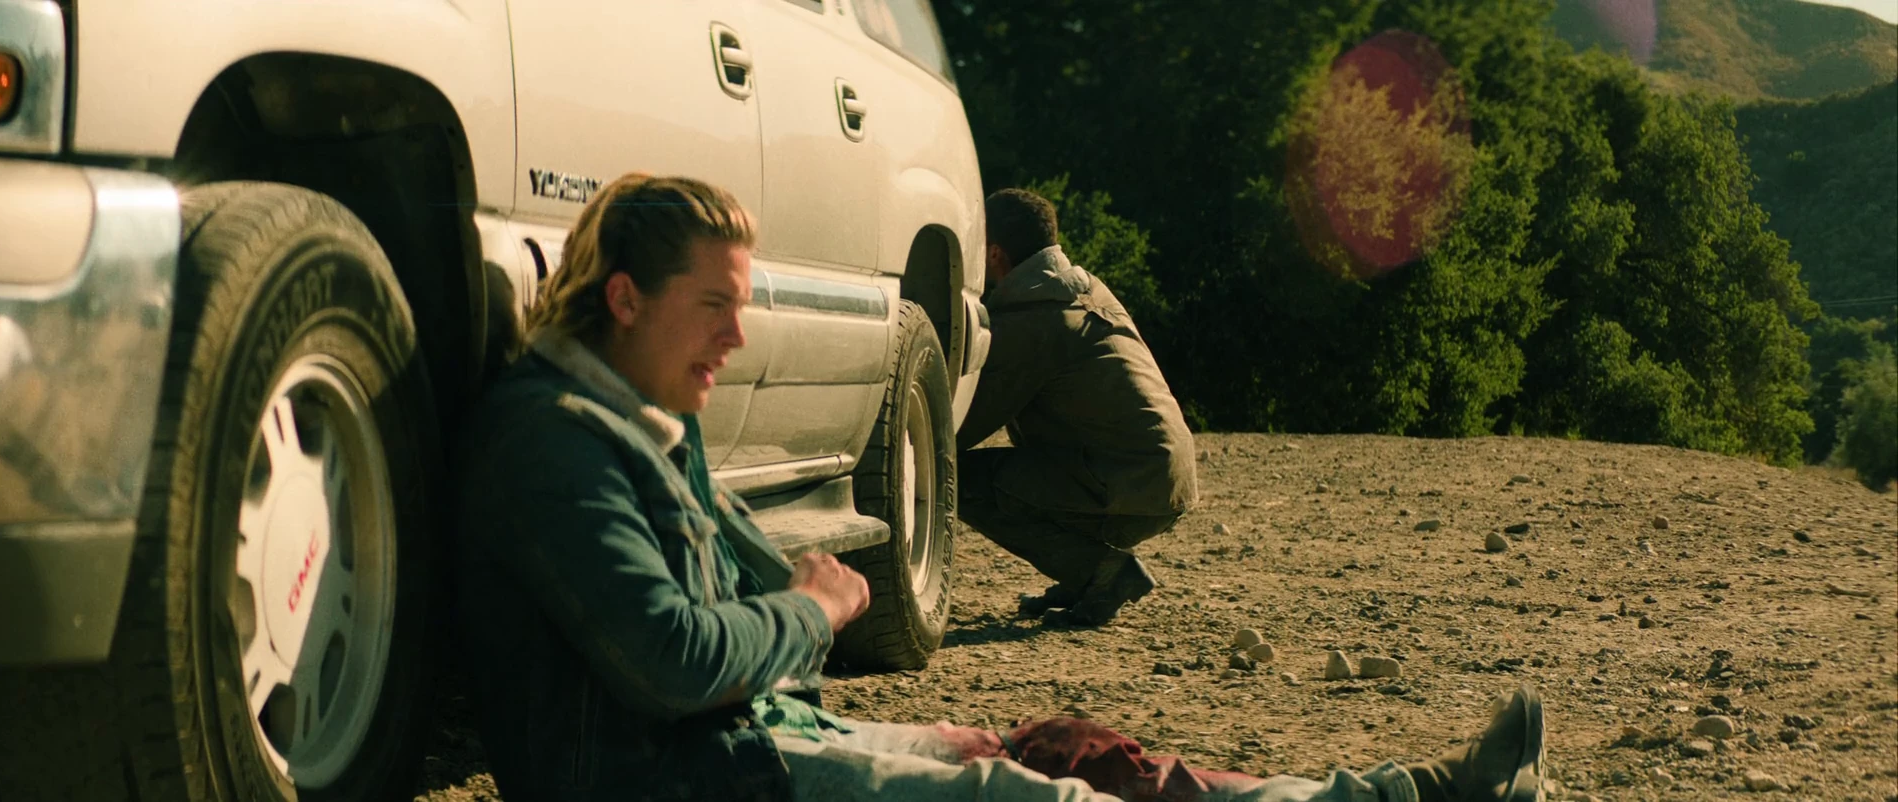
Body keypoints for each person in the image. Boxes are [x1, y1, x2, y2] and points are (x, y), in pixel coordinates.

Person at [453, 173, 1550, 802]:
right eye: (714, 308)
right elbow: (675, 658)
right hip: (691, 780)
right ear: (626, 299)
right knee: (1028, 797)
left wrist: (889, 704)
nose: (737, 338)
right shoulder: (555, 444)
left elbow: (744, 588)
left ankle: (1408, 797)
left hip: (750, 739)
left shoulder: (647, 416)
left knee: (1056, 748)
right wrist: (814, 611)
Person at [956, 188, 1197, 626]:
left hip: (1130, 486)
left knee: (960, 479)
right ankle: (1083, 577)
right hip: (1162, 478)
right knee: (1023, 472)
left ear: (994, 253)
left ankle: (1100, 573)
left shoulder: (1034, 320)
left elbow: (960, 429)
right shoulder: (1083, 292)